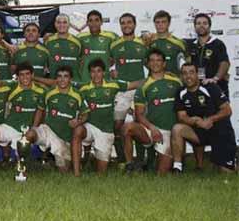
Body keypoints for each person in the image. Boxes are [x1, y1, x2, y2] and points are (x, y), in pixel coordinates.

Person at [73, 59, 142, 176]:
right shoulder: (83, 87)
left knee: (101, 172)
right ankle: (76, 173)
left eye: (99, 71)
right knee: (78, 130)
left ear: (104, 72)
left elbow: (134, 84)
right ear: (89, 73)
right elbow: (60, 83)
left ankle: (95, 158)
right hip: (90, 127)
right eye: (93, 72)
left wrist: (158, 76)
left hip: (106, 131)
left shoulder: (113, 84)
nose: (96, 75)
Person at [123, 49, 182, 174]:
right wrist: (152, 128)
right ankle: (130, 165)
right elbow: (139, 115)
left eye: (159, 60)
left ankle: (154, 158)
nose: (155, 63)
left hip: (170, 133)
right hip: (152, 129)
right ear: (148, 64)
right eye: (152, 60)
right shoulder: (143, 86)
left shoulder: (176, 82)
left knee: (161, 173)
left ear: (164, 64)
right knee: (128, 127)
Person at [20, 66, 88, 173]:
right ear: (56, 78)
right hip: (49, 130)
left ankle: (50, 163)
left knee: (64, 170)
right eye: (59, 76)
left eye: (65, 76)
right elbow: (40, 109)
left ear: (70, 79)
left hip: (65, 138)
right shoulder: (49, 93)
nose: (62, 79)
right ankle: (22, 167)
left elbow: (85, 114)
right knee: (29, 135)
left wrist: (78, 121)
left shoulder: (77, 94)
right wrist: (34, 126)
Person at [171, 63, 236, 173]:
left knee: (226, 172)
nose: (188, 76)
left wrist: (210, 120)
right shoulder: (180, 92)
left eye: (191, 72)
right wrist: (196, 121)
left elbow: (227, 110)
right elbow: (182, 117)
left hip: (220, 131)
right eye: (185, 73)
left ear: (197, 74)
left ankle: (231, 163)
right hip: (200, 132)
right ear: (181, 76)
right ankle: (177, 168)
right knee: (177, 128)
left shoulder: (210, 87)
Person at [110, 13, 147, 162]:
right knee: (117, 125)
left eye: (129, 22)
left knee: (139, 124)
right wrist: (112, 72)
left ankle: (140, 160)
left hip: (139, 90)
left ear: (135, 24)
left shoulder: (143, 43)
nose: (126, 25)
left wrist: (147, 82)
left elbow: (151, 64)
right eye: (123, 23)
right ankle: (122, 159)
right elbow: (109, 63)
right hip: (122, 92)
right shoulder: (114, 44)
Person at [186, 13, 230, 97]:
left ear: (209, 26)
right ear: (194, 27)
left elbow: (225, 63)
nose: (201, 26)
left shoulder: (217, 43)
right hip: (198, 89)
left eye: (204, 23)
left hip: (216, 88)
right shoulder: (190, 44)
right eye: (198, 23)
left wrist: (215, 79)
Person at [77, 10, 118, 82]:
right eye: (91, 20)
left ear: (101, 22)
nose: (93, 23)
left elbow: (122, 51)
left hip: (105, 81)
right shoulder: (80, 37)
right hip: (85, 81)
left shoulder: (111, 37)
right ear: (87, 23)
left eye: (96, 20)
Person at [147, 10, 186, 75]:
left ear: (169, 23)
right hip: (154, 82)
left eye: (163, 22)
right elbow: (145, 62)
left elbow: (188, 62)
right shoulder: (149, 42)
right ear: (154, 24)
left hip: (173, 82)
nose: (160, 24)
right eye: (157, 22)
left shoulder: (179, 43)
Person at [44, 14, 81, 82]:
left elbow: (82, 61)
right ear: (55, 24)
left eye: (64, 22)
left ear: (69, 25)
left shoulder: (77, 42)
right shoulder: (48, 41)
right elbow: (45, 62)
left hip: (74, 82)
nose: (61, 25)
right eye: (59, 22)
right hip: (55, 82)